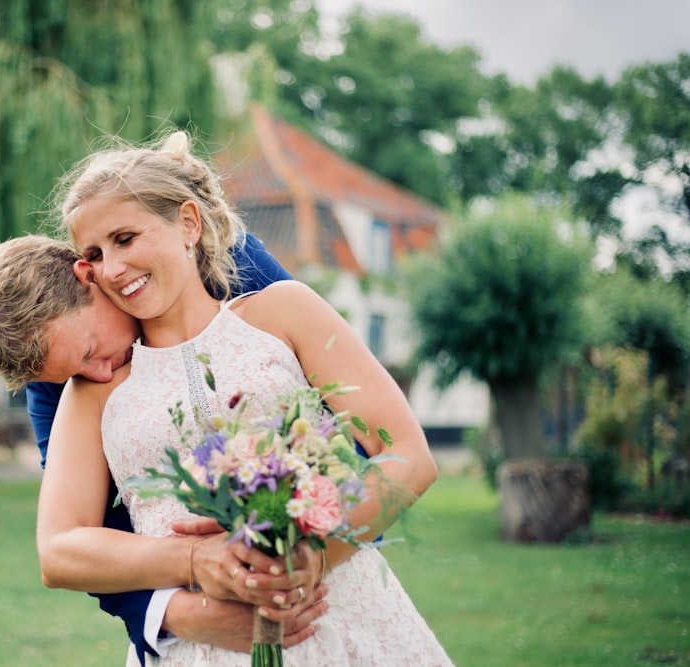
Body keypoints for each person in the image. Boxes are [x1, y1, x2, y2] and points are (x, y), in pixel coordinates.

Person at [36, 130, 453, 665]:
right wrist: (192, 561)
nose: (113, 268)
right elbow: (60, 550)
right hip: (199, 647)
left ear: (188, 223)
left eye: (125, 238)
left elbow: (408, 458)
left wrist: (315, 556)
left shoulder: (285, 312)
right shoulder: (93, 388)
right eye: (94, 254)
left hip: (337, 620)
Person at [0, 235, 326, 664]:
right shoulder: (57, 382)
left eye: (90, 352)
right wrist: (174, 613)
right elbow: (89, 530)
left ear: (88, 278)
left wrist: (318, 545)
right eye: (74, 373)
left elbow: (344, 415)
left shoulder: (229, 256)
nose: (97, 375)